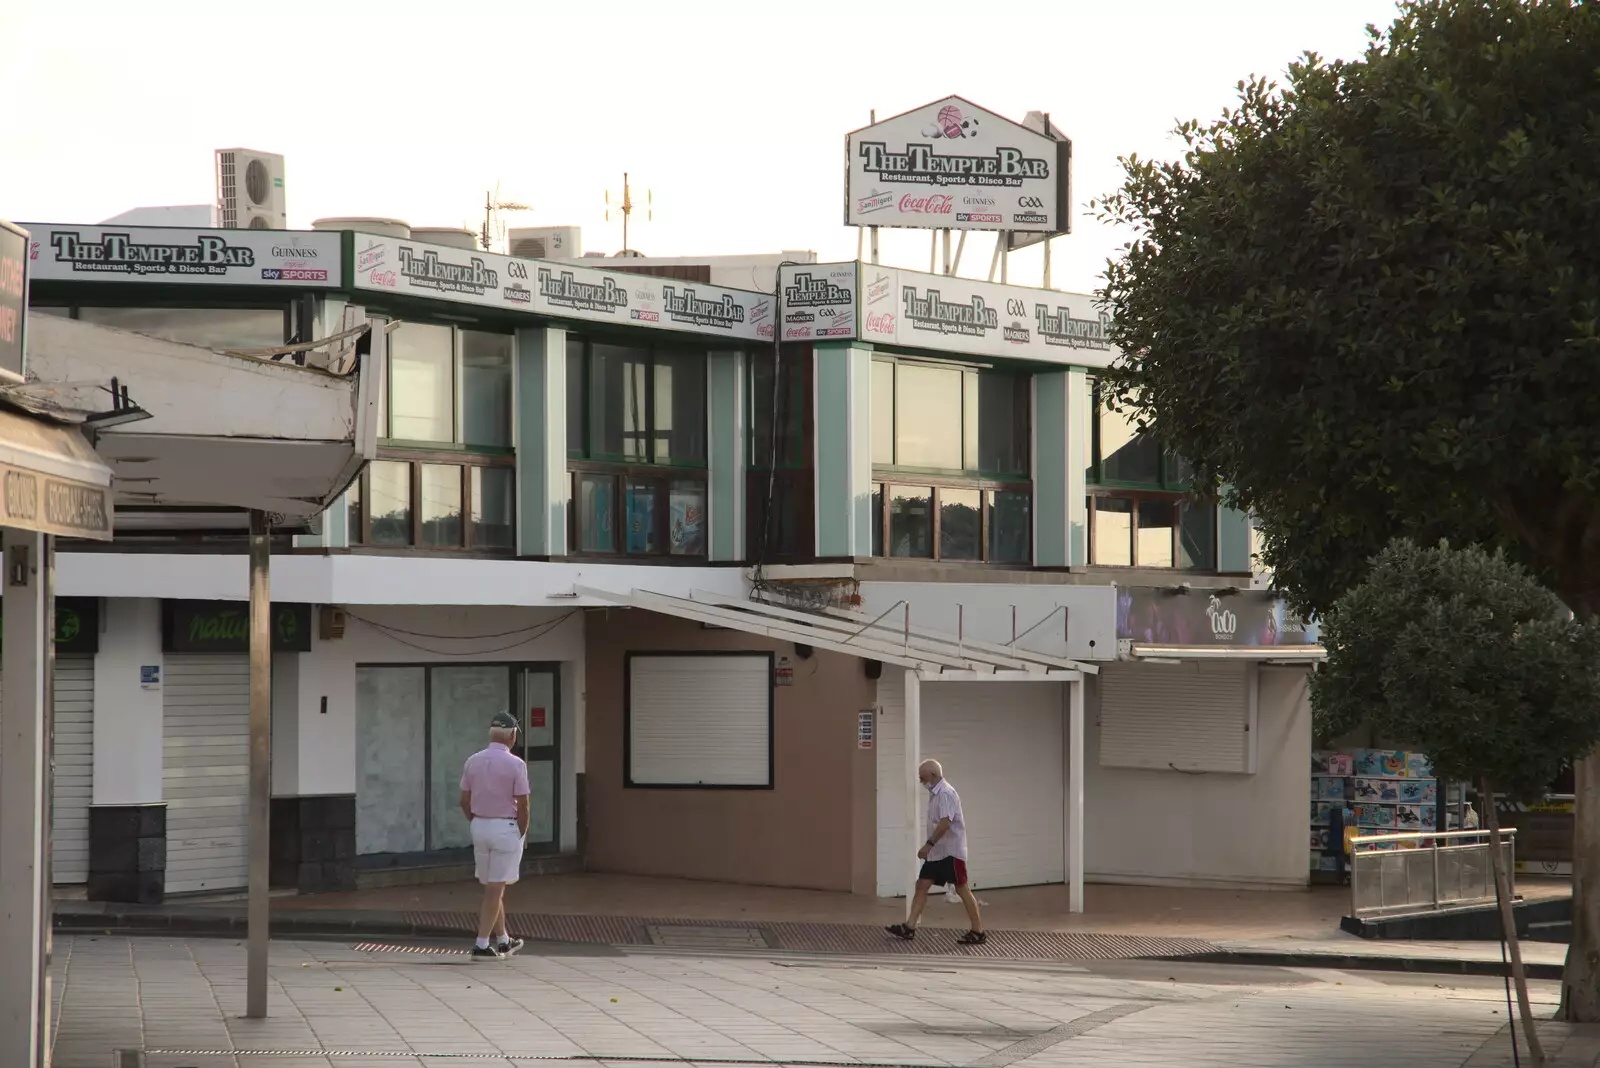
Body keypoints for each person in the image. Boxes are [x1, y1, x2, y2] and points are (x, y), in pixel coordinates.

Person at [886, 759, 985, 945]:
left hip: (951, 852)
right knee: (922, 884)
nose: (921, 781)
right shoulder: (935, 793)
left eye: (923, 777)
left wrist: (928, 845)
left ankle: (978, 931)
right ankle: (909, 926)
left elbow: (945, 823)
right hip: (937, 853)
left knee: (961, 888)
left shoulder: (946, 793)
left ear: (933, 774)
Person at [459, 710, 530, 961]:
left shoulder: (472, 761)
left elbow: (463, 800)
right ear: (512, 735)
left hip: (479, 825)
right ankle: (481, 943)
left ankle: (503, 940)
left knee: (493, 885)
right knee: (495, 888)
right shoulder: (516, 764)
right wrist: (521, 833)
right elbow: (523, 806)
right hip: (505, 827)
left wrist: (477, 820)